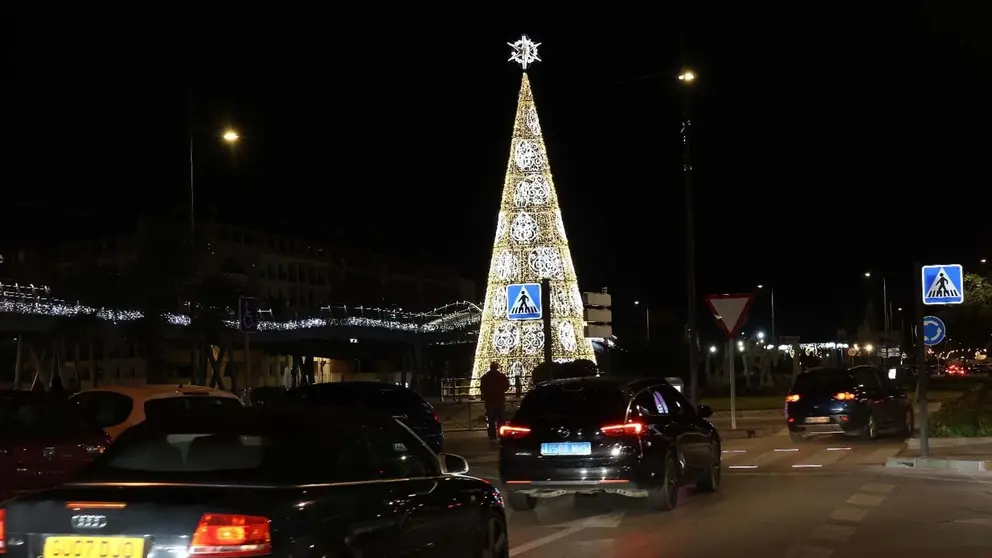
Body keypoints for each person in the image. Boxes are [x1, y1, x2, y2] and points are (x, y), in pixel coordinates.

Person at [480, 362, 510, 441]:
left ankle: (492, 435)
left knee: (491, 420)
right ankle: (501, 435)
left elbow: (482, 388)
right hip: (500, 401)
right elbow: (506, 387)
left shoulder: (485, 377)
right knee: (501, 420)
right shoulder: (501, 376)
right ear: (497, 368)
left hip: (490, 402)